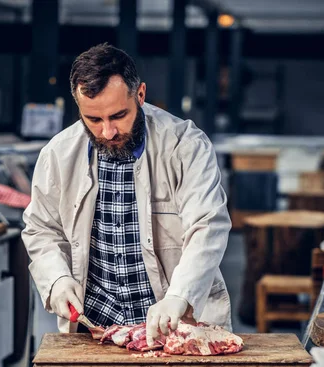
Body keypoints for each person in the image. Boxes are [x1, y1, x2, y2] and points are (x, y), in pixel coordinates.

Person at [22, 43, 232, 346]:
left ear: (141, 95)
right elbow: (41, 228)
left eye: (118, 115)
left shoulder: (185, 146)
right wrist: (56, 278)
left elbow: (208, 225)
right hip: (94, 329)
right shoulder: (57, 154)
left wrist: (179, 295)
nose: (107, 131)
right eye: (93, 119)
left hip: (174, 326)